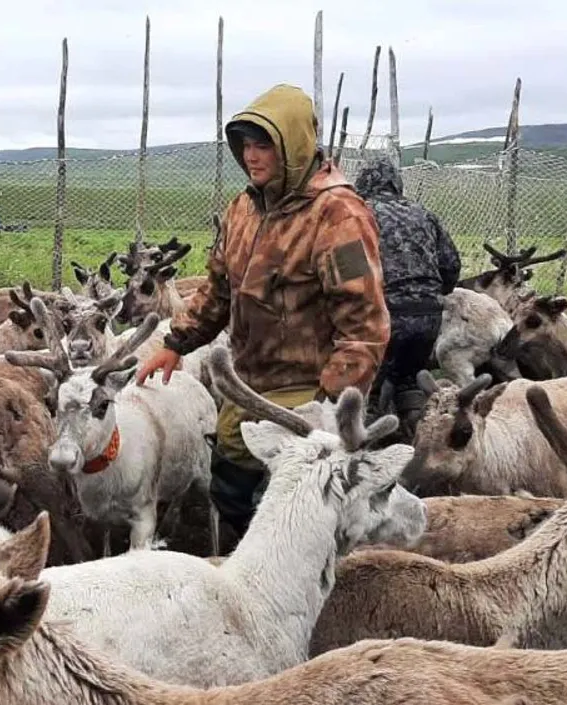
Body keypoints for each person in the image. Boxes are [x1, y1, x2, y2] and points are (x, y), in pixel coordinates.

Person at [136, 84, 390, 540]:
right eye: (245, 146)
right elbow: (218, 288)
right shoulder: (244, 208)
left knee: (296, 507)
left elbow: (364, 324)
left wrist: (333, 404)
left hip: (308, 388)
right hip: (250, 382)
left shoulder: (338, 216)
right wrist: (176, 344)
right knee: (229, 485)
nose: (251, 157)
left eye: (264, 145)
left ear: (293, 144)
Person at [353, 155, 461, 443]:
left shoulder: (357, 214)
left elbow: (348, 272)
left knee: (369, 389)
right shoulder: (423, 213)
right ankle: (418, 447)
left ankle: (367, 453)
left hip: (383, 314)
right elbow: (451, 265)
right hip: (427, 316)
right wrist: (431, 296)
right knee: (409, 380)